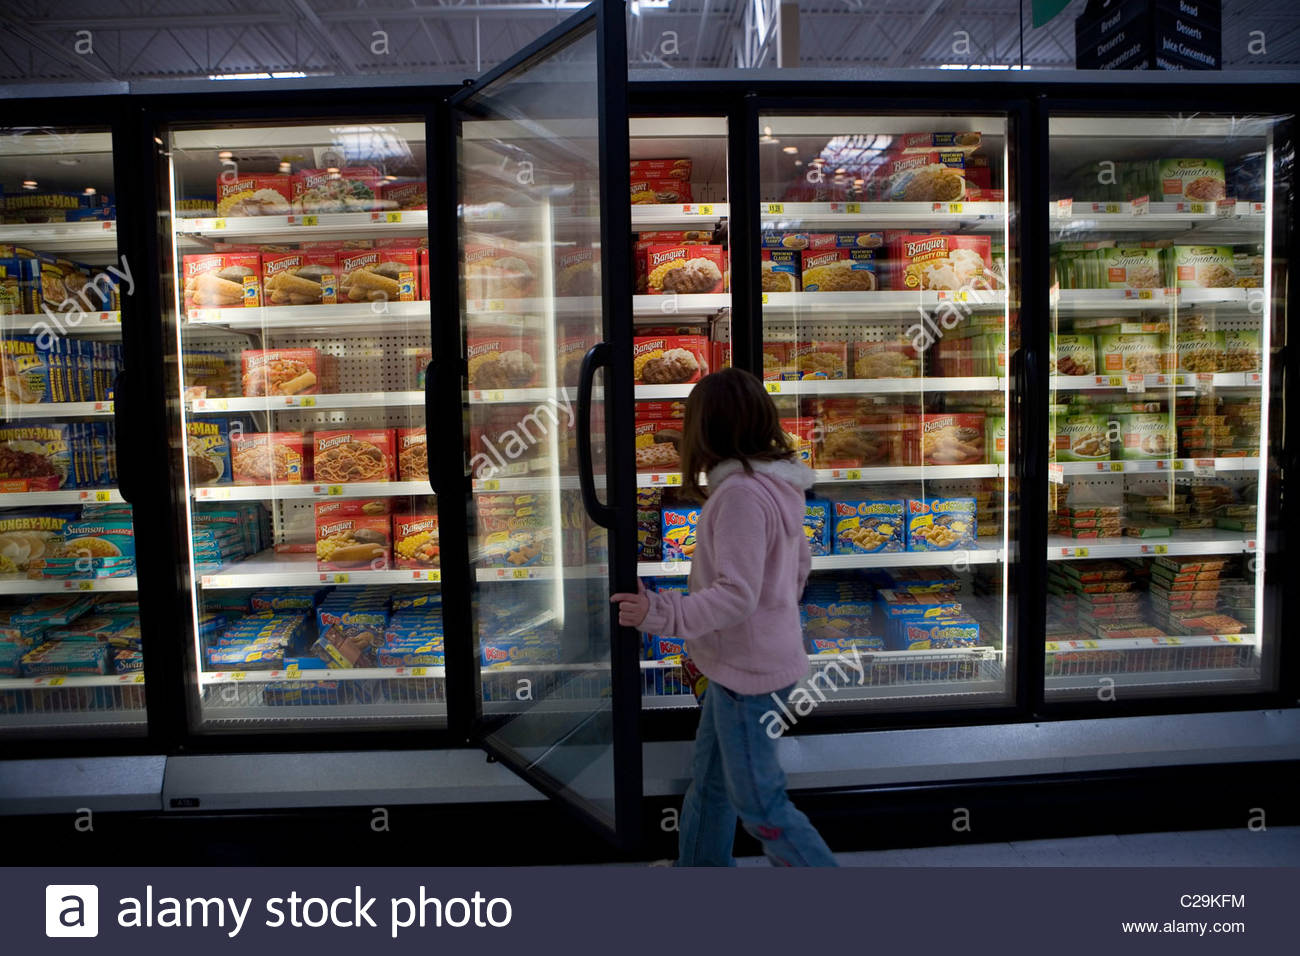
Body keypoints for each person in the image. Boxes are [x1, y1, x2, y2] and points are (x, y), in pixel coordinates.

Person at [611, 367, 837, 867]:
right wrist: (774, 614)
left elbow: (735, 595)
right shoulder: (776, 485)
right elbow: (798, 565)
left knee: (761, 806)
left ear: (704, 431)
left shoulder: (738, 496)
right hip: (742, 665)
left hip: (748, 679)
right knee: (712, 784)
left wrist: (658, 613)